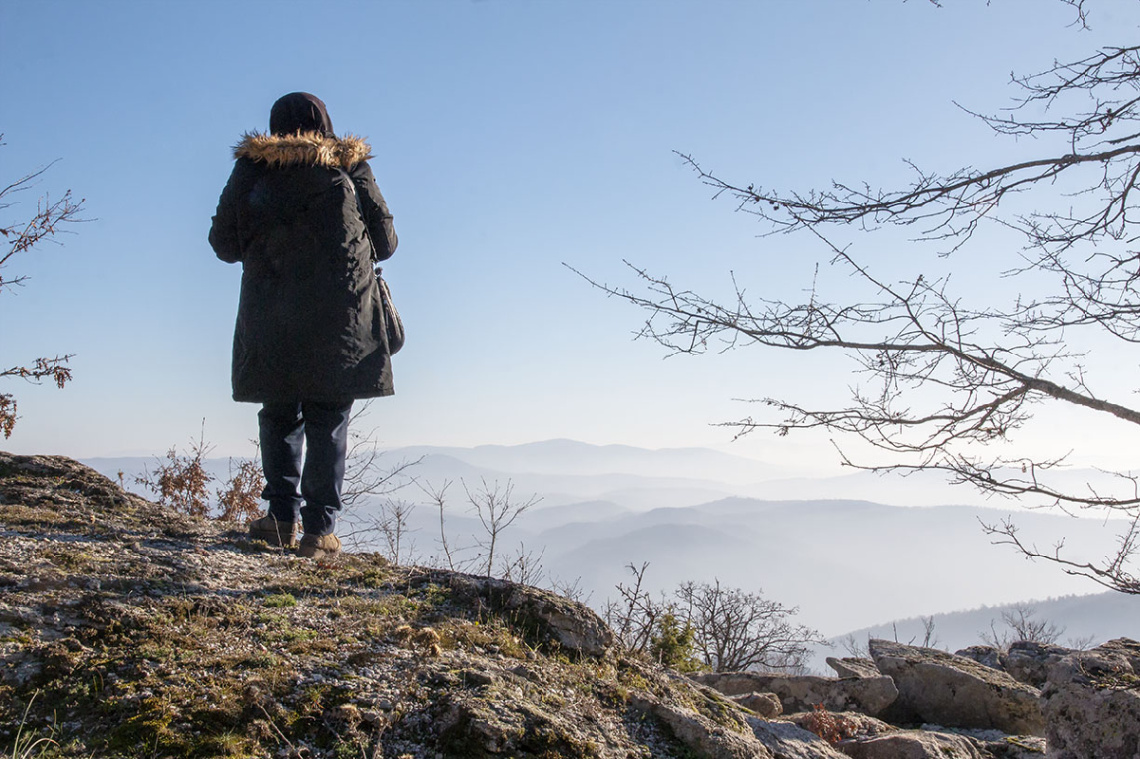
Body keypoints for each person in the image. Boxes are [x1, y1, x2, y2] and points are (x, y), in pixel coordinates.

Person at [209, 92, 398, 558]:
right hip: (343, 316)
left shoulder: (252, 170)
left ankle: (278, 520)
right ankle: (318, 532)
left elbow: (224, 244)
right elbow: (387, 242)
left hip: (272, 313)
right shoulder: (350, 167)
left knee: (278, 414)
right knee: (329, 419)